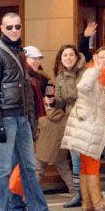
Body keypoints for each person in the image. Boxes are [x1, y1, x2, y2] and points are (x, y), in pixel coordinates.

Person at [0, 12, 65, 211]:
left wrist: (30, 118)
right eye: (9, 27)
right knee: (1, 169)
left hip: (21, 119)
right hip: (6, 119)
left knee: (29, 167)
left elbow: (26, 89)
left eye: (17, 26)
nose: (14, 30)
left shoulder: (19, 52)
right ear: (1, 28)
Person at [62, 48, 105, 211]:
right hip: (87, 126)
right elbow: (83, 87)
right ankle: (98, 202)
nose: (104, 61)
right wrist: (96, 69)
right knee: (92, 163)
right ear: (95, 58)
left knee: (86, 164)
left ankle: (87, 204)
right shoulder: (91, 72)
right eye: (101, 57)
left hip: (92, 126)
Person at [24, 45, 74, 197]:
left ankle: (27, 196)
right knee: (60, 165)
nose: (36, 61)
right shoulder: (38, 78)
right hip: (51, 124)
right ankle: (77, 193)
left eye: (38, 58)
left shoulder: (39, 78)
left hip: (46, 125)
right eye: (33, 58)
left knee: (39, 165)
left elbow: (47, 102)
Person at [46, 44, 86, 208]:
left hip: (86, 116)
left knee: (87, 157)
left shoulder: (85, 72)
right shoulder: (61, 76)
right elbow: (61, 100)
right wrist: (53, 101)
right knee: (75, 158)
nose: (68, 58)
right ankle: (78, 194)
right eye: (65, 55)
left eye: (71, 55)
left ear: (76, 57)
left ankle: (90, 194)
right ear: (60, 59)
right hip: (70, 117)